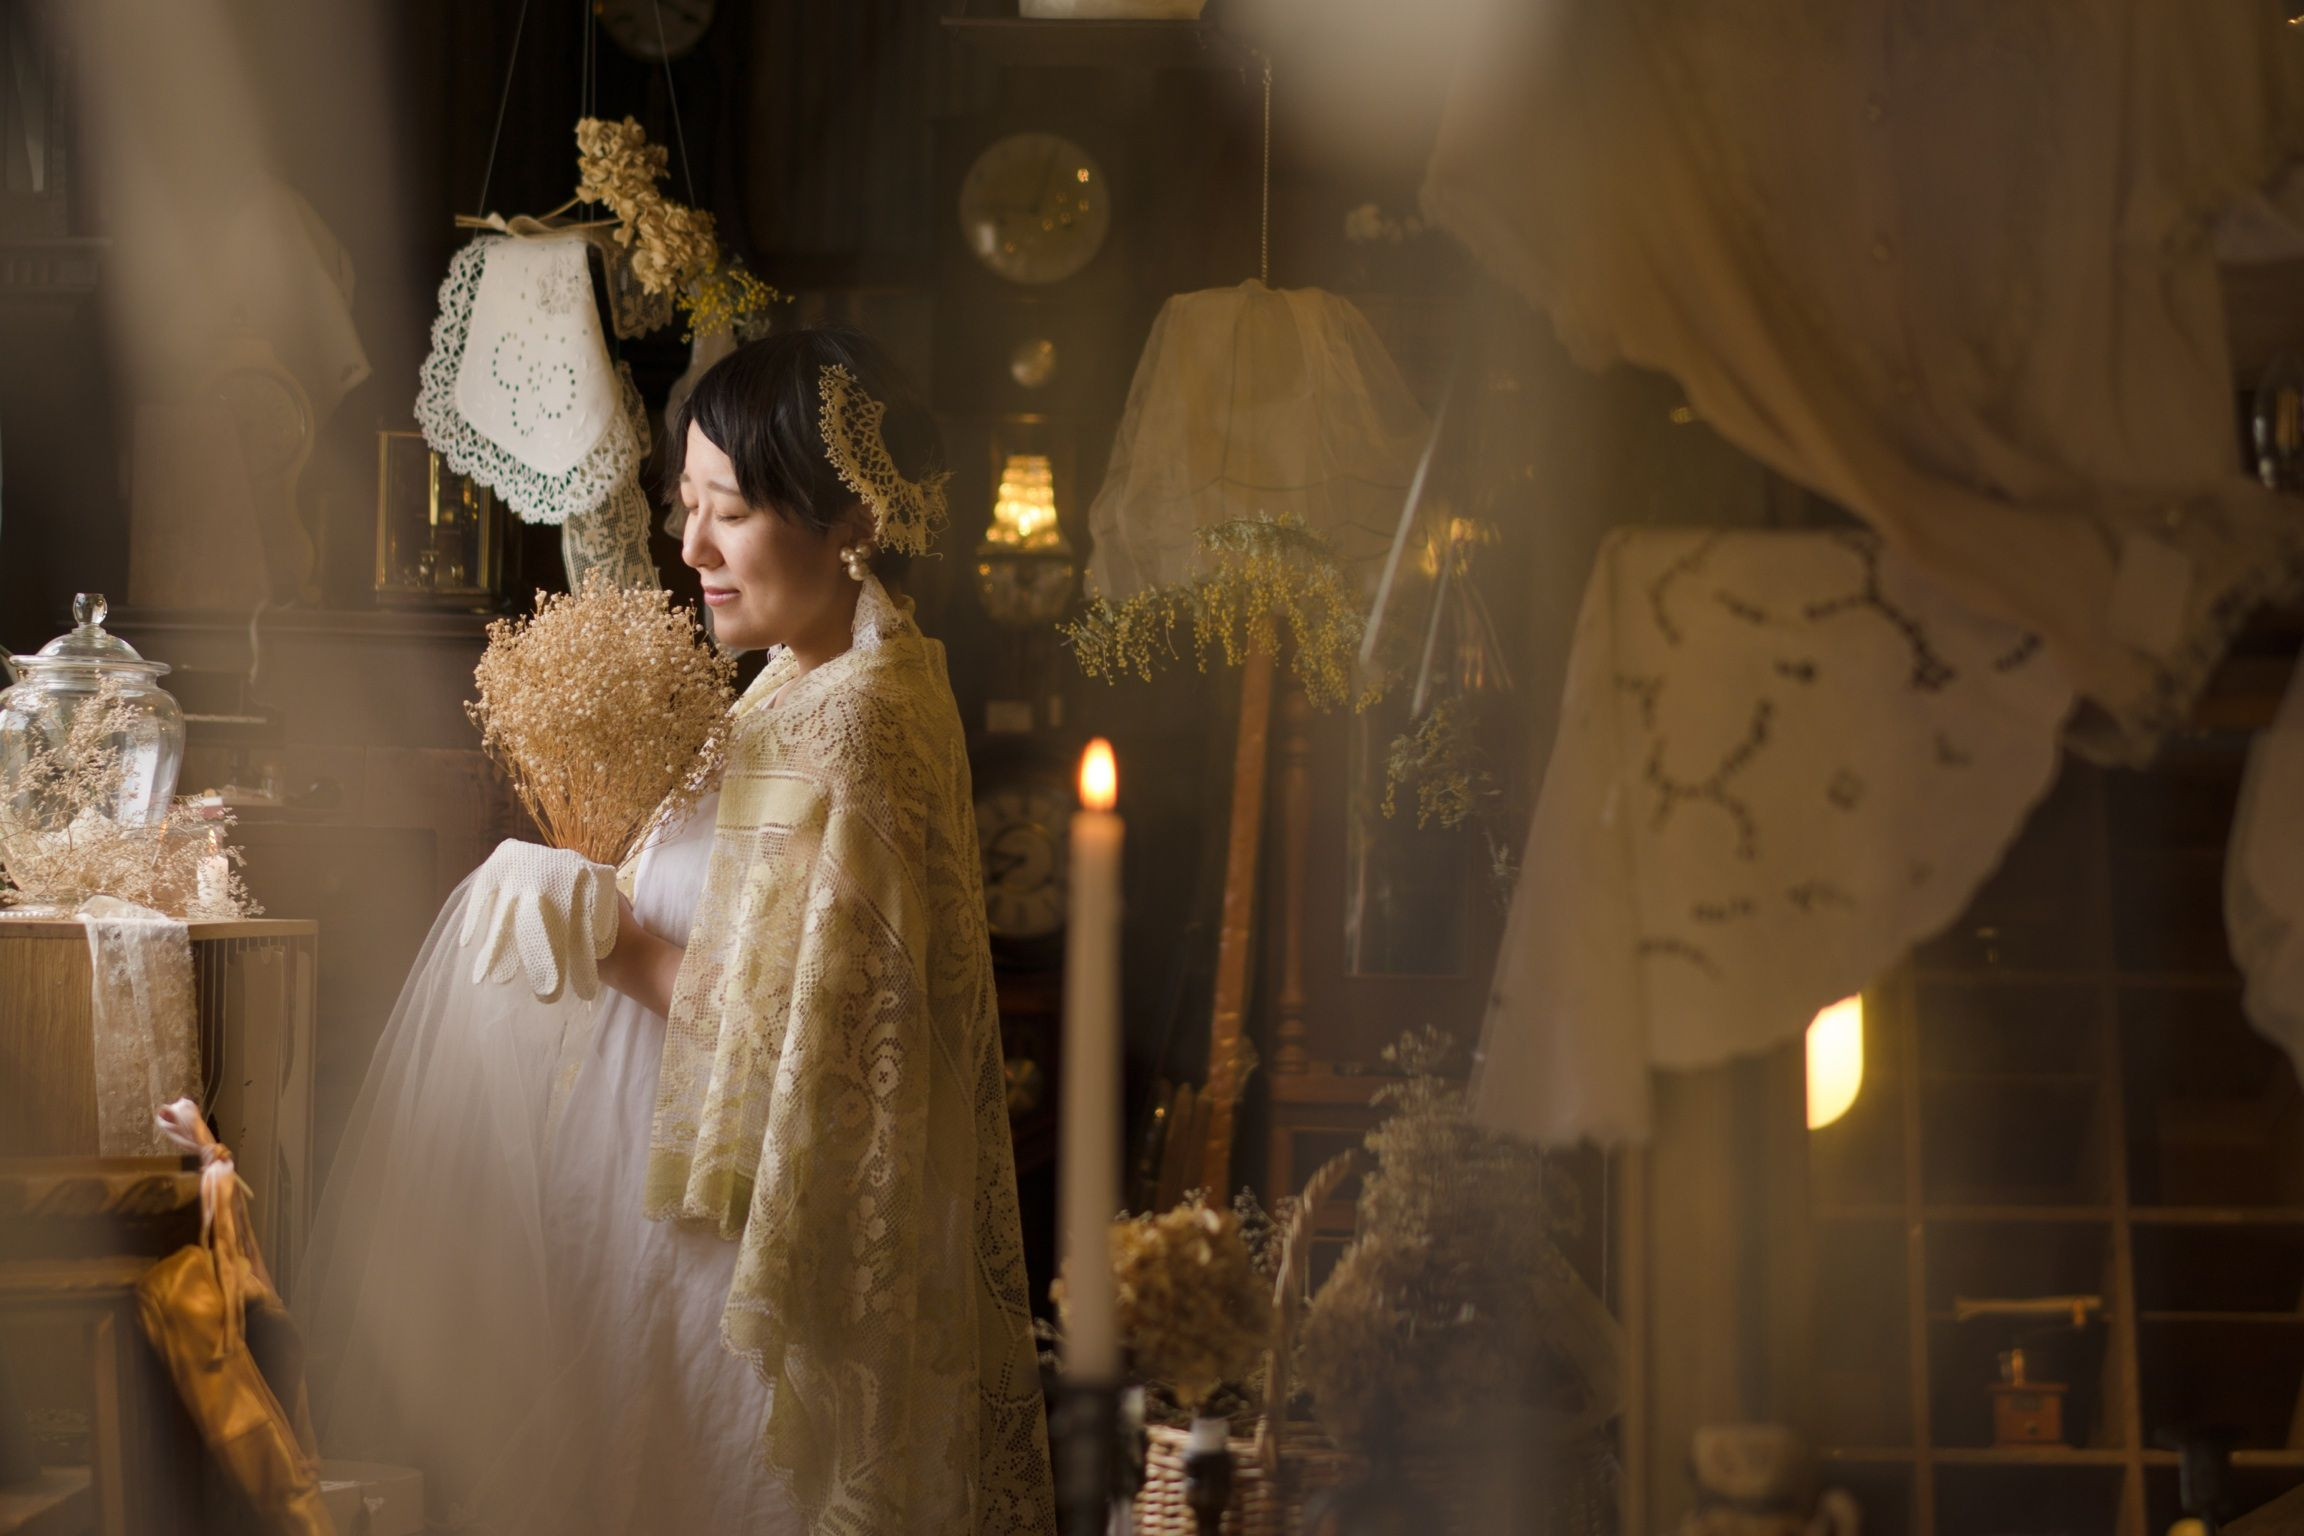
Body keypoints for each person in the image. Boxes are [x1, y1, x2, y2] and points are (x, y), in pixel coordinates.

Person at [298, 329, 1056, 1536]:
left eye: (730, 512)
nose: (693, 547)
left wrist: (607, 936)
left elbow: (820, 1050)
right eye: (687, 506)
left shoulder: (858, 722)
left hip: (751, 1278)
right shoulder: (803, 684)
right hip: (689, 1236)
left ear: (850, 518)